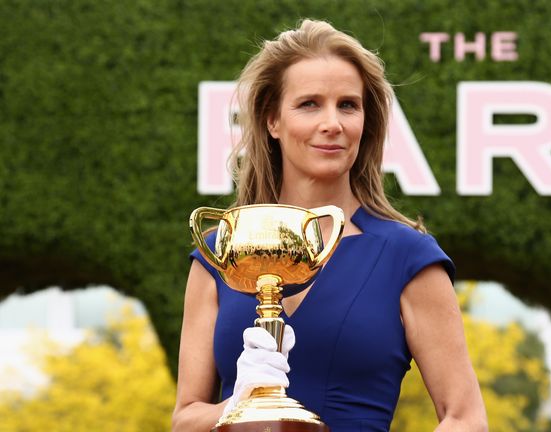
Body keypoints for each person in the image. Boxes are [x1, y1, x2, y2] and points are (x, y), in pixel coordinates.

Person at [172, 19, 487, 432]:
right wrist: (236, 404)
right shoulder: (220, 253)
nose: (332, 123)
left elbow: (465, 418)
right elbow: (184, 419)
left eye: (348, 105)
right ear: (272, 121)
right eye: (309, 104)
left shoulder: (407, 256)